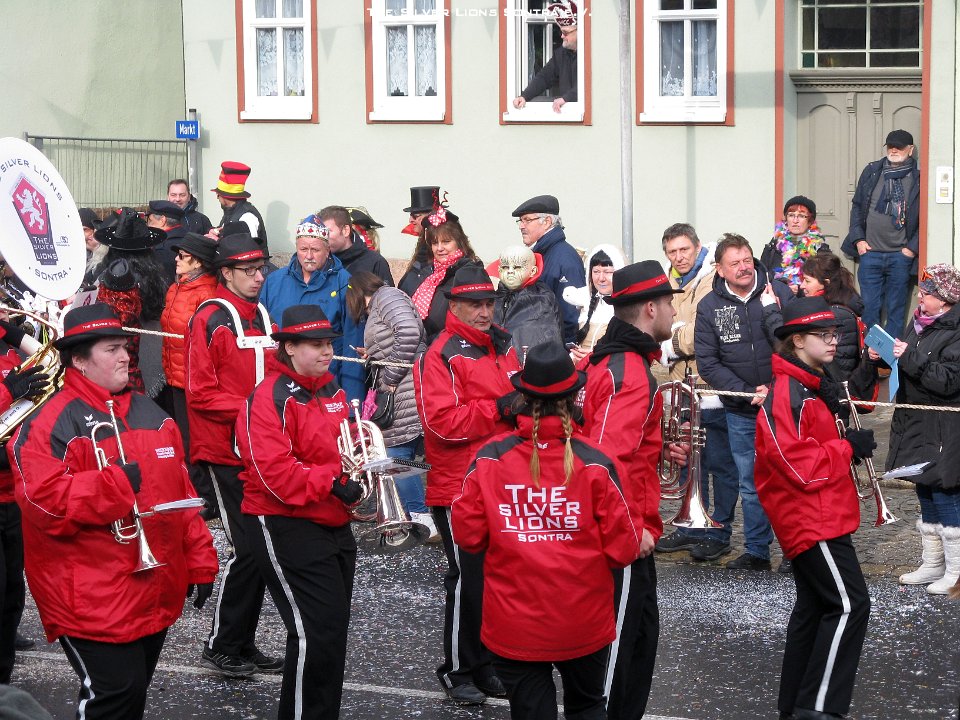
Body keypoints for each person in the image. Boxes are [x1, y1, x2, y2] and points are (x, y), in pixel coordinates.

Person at [9, 303, 218, 720]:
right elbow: (42, 502)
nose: (126, 356)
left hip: (152, 585)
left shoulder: (153, 415)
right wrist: (115, 485)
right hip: (90, 595)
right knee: (114, 695)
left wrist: (199, 559)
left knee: (131, 696)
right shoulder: (48, 422)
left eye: (124, 347)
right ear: (79, 360)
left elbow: (181, 496)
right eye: (112, 349)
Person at [452, 341, 641, 720]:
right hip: (582, 619)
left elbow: (467, 534)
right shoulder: (597, 462)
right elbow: (624, 547)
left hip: (514, 622)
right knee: (587, 706)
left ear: (521, 397)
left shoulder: (490, 457)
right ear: (573, 399)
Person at [236, 305, 363, 720]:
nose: (327, 351)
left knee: (330, 633)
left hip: (331, 518)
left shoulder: (331, 390)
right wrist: (332, 481)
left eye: (328, 343)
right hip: (284, 521)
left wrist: (363, 458)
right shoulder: (268, 397)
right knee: (315, 632)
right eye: (315, 345)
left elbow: (344, 447)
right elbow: (274, 474)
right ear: (289, 348)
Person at [754, 296, 873, 720]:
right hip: (809, 517)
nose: (833, 341)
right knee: (849, 605)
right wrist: (846, 448)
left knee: (815, 609)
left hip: (823, 512)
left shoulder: (812, 386)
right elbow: (797, 465)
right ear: (798, 341)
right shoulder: (789, 393)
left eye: (834, 333)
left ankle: (795, 707)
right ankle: (818, 707)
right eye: (823, 335)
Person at [413, 264, 521, 706]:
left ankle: (485, 664)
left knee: (496, 579)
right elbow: (441, 424)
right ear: (453, 306)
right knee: (468, 581)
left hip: (502, 478)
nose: (483, 312)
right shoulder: (439, 353)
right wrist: (500, 407)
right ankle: (458, 669)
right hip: (459, 485)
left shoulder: (503, 344)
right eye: (474, 304)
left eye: (488, 303)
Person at [580, 260, 680, 720]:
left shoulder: (619, 360)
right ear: (650, 309)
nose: (674, 311)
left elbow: (618, 446)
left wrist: (657, 448)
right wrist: (629, 530)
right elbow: (606, 461)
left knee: (638, 642)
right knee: (620, 658)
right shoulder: (630, 371)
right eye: (669, 303)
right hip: (624, 533)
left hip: (629, 524)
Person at [185, 233, 284, 678]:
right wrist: (256, 407)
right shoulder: (209, 317)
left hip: (259, 448)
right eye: (249, 270)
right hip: (223, 450)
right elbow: (200, 392)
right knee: (246, 547)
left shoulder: (259, 313)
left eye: (261, 269)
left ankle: (240, 642)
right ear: (225, 273)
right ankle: (222, 644)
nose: (259, 277)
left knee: (260, 547)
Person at [856, 264, 960, 595]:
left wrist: (909, 356)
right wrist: (881, 357)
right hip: (916, 421)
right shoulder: (919, 323)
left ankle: (956, 571)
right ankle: (932, 563)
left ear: (945, 300)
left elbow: (948, 381)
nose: (920, 297)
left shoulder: (956, 330)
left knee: (945, 491)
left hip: (944, 425)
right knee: (924, 488)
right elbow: (908, 361)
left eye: (927, 293)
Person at [694, 234, 793, 571]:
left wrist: (776, 389)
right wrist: (747, 391)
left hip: (784, 406)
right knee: (750, 484)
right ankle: (757, 551)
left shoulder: (779, 294)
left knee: (789, 479)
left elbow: (796, 347)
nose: (743, 267)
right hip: (741, 410)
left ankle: (795, 550)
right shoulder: (709, 306)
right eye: (734, 263)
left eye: (747, 260)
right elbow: (708, 364)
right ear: (720, 270)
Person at [654, 223, 740, 564]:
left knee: (719, 463)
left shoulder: (712, 279)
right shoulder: (669, 279)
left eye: (684, 249)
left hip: (710, 388)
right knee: (689, 463)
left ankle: (719, 531)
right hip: (682, 387)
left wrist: (670, 342)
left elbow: (705, 330)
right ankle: (692, 525)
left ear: (697, 246)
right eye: (672, 252)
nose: (679, 257)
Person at [344, 272, 437, 540]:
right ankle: (417, 516)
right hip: (406, 386)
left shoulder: (387, 296)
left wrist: (390, 377)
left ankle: (422, 518)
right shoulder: (383, 302)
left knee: (396, 453)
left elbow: (408, 332)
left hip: (405, 387)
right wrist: (373, 353)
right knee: (398, 452)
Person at [259, 221, 365, 401]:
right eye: (303, 249)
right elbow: (262, 332)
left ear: (327, 250)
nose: (308, 256)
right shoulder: (274, 281)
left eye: (315, 250)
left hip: (325, 384)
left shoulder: (344, 283)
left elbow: (352, 344)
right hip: (280, 382)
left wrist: (352, 402)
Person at [0, 320, 50, 685]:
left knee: (13, 591)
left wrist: (13, 333)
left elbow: (49, 360)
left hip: (11, 490)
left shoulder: (7, 345)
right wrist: (7, 391)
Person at [158, 233, 219, 516]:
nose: (176, 259)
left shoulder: (207, 293)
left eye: (182, 256)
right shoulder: (176, 287)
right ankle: (195, 492)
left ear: (198, 262)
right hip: (174, 375)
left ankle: (208, 499)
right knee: (181, 438)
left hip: (192, 379)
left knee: (194, 441)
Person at [841, 129, 920, 338]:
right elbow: (857, 206)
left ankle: (890, 354)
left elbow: (924, 217)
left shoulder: (918, 178)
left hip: (900, 256)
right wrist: (858, 239)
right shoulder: (872, 172)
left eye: (899, 147)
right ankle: (869, 351)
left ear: (910, 150)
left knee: (896, 310)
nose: (894, 150)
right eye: (890, 146)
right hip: (870, 254)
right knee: (869, 309)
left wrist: (911, 250)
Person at [762, 253, 866, 382]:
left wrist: (770, 308)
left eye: (807, 281)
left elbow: (788, 346)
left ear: (825, 284)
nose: (802, 286)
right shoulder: (837, 305)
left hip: (832, 386)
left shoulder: (834, 315)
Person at [398, 198, 481, 344]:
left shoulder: (470, 274)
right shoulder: (429, 274)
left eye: (446, 242)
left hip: (448, 350)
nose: (440, 248)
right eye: (435, 243)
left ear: (459, 242)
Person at [511, 194, 585, 346]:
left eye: (527, 220)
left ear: (547, 222)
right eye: (520, 221)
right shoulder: (541, 254)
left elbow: (571, 317)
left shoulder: (565, 258)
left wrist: (564, 352)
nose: (521, 226)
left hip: (555, 350)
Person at [493, 244, 563, 357]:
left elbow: (549, 348)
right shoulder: (491, 300)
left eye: (517, 267)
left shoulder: (542, 302)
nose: (510, 271)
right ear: (499, 269)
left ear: (533, 271)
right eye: (505, 267)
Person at [512, 1, 578, 113]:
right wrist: (525, 96)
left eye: (565, 33)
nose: (562, 36)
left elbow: (590, 85)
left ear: (579, 32)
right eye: (561, 32)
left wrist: (567, 98)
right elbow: (544, 77)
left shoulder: (591, 54)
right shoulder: (561, 54)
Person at [563, 243, 625, 360]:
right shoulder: (586, 300)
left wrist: (595, 355)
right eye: (596, 271)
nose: (601, 278)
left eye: (607, 272)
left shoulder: (629, 308)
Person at [759, 196, 829, 293]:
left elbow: (825, 283)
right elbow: (762, 278)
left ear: (810, 221)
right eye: (791, 215)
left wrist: (800, 290)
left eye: (801, 216)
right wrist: (782, 287)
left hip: (807, 300)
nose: (795, 221)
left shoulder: (820, 249)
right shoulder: (773, 247)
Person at [315, 205, 394, 286]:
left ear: (345, 231)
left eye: (327, 231)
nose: (322, 237)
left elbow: (388, 293)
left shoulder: (375, 262)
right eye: (319, 233)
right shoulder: (317, 261)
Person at [211, 161, 269, 251]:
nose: (217, 197)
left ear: (223, 195)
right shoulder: (231, 212)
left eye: (218, 194)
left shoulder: (247, 217)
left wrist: (217, 241)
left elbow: (247, 249)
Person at [147, 199, 190, 284]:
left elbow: (162, 283)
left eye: (150, 221)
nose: (148, 225)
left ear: (162, 220)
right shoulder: (190, 239)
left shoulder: (161, 248)